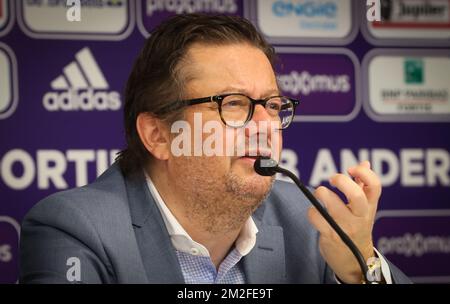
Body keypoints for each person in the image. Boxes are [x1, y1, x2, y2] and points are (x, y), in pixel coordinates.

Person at [19, 14, 410, 284]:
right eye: (234, 104)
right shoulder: (76, 229)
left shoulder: (309, 223)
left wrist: (361, 271)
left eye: (273, 105)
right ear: (158, 135)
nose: (264, 127)